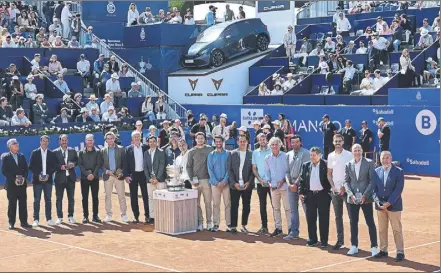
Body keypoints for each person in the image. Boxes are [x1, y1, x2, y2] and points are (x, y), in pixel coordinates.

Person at [344, 144, 379, 256]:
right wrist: (351, 194)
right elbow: (346, 181)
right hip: (353, 199)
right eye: (355, 150)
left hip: (366, 198)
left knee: (370, 222)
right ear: (352, 152)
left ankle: (374, 247)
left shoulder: (369, 163)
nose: (357, 152)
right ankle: (354, 246)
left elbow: (372, 181)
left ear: (362, 151)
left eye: (359, 150)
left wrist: (365, 195)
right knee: (353, 223)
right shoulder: (348, 164)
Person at [372, 151, 405, 262]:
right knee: (382, 229)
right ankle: (383, 250)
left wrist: (389, 203)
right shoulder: (376, 171)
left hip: (394, 206)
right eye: (383, 158)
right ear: (380, 160)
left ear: (391, 159)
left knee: (397, 230)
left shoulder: (399, 172)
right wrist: (377, 202)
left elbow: (398, 189)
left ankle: (400, 252)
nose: (385, 160)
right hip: (380, 207)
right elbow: (374, 189)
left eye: (387, 158)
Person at [299, 147, 332, 247]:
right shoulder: (306, 165)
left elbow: (330, 178)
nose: (312, 157)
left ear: (320, 155)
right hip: (310, 195)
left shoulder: (326, 165)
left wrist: (329, 192)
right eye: (311, 155)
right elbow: (302, 180)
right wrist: (301, 192)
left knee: (324, 218)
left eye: (314, 155)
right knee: (311, 218)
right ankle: (312, 239)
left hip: (323, 195)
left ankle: (324, 241)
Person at [327, 134, 353, 250]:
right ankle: (340, 241)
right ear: (333, 142)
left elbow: (352, 173)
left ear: (343, 142)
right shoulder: (330, 156)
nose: (338, 143)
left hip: (347, 191)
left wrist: (344, 187)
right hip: (335, 191)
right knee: (338, 217)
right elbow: (329, 174)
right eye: (336, 141)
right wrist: (333, 186)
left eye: (339, 141)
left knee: (352, 217)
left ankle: (354, 243)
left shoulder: (349, 155)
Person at [283, 135, 310, 240]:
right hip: (291, 186)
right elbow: (286, 171)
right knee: (293, 210)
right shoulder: (288, 154)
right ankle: (294, 232)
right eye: (292, 142)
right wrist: (289, 183)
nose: (294, 144)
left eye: (297, 142)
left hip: (303, 187)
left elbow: (304, 171)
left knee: (307, 210)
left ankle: (312, 234)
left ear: (300, 142)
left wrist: (296, 184)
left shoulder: (306, 153)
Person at [187, 132, 214, 231]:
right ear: (195, 139)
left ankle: (209, 223)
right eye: (198, 138)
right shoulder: (191, 151)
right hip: (195, 182)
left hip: (207, 181)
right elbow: (188, 167)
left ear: (204, 139)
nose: (200, 140)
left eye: (202, 138)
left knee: (208, 203)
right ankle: (200, 223)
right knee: (197, 204)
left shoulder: (210, 149)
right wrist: (192, 179)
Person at [264, 137, 290, 237]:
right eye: (273, 144)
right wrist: (269, 182)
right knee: (276, 208)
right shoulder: (267, 158)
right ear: (270, 146)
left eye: (276, 144)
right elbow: (266, 172)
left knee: (288, 208)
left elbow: (288, 171)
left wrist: (283, 181)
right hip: (273, 188)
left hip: (285, 187)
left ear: (280, 145)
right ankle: (278, 228)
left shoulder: (286, 156)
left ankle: (290, 228)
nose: (274, 146)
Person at [228, 135, 254, 234]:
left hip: (247, 185)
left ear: (247, 142)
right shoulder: (232, 153)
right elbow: (229, 170)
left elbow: (253, 171)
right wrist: (234, 183)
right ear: (238, 142)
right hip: (235, 185)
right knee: (234, 205)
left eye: (244, 141)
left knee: (246, 206)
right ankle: (233, 226)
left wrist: (249, 182)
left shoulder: (252, 154)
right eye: (240, 141)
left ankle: (243, 225)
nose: (242, 143)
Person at [2, 139, 30, 229]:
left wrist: (24, 177)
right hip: (11, 185)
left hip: (22, 185)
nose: (17, 145)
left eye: (17, 143)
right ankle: (11, 223)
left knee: (23, 204)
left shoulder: (21, 156)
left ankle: (24, 222)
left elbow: (26, 169)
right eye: (14, 144)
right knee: (12, 204)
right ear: (10, 146)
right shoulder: (6, 157)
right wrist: (14, 179)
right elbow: (4, 171)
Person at [29, 136, 56, 227]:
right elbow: (31, 166)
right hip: (37, 181)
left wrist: (48, 174)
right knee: (37, 200)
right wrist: (38, 175)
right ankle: (36, 219)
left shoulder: (51, 153)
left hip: (48, 181)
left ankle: (49, 218)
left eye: (46, 141)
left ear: (48, 142)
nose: (44, 142)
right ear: (40, 142)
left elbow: (54, 167)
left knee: (48, 200)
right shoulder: (34, 152)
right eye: (43, 141)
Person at [101, 132, 128, 223]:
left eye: (111, 138)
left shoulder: (121, 149)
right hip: (108, 176)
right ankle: (108, 214)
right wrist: (107, 171)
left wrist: (122, 172)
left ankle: (124, 214)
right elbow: (101, 165)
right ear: (106, 140)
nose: (110, 140)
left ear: (114, 139)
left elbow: (125, 163)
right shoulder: (103, 150)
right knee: (107, 196)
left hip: (118, 176)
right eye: (108, 139)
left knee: (121, 196)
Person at [123, 131, 150, 224]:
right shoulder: (128, 149)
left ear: (141, 137)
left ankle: (147, 215)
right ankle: (136, 216)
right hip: (133, 176)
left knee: (146, 196)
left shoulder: (146, 148)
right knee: (133, 197)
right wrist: (126, 175)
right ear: (132, 139)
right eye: (135, 137)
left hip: (144, 175)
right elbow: (125, 163)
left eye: (138, 136)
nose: (137, 138)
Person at [207, 135, 231, 232]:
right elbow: (210, 170)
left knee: (227, 204)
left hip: (226, 184)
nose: (218, 143)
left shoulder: (228, 154)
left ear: (223, 142)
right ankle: (216, 224)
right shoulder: (211, 155)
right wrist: (216, 182)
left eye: (220, 141)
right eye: (216, 142)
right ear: (214, 143)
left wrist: (224, 181)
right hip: (215, 184)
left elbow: (229, 169)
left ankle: (229, 224)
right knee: (216, 204)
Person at [53, 134, 78, 224]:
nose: (64, 142)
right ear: (59, 141)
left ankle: (70, 216)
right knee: (59, 198)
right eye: (62, 140)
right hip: (59, 179)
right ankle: (59, 217)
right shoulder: (55, 152)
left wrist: (73, 164)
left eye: (65, 140)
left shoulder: (72, 151)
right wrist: (60, 167)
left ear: (68, 141)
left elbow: (77, 161)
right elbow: (53, 165)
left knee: (71, 198)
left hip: (71, 178)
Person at [78, 134, 102, 224]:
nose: (90, 142)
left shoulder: (98, 152)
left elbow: (98, 164)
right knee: (85, 198)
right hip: (84, 178)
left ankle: (95, 216)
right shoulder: (81, 152)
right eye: (88, 140)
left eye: (91, 140)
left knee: (95, 197)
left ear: (93, 141)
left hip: (94, 178)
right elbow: (80, 165)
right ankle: (85, 216)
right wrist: (87, 174)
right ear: (85, 141)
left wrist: (93, 174)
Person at [251, 133, 272, 234]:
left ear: (267, 140)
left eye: (264, 139)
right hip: (260, 183)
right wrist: (260, 180)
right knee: (262, 205)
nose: (262, 141)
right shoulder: (255, 152)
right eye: (261, 139)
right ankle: (264, 226)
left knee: (275, 205)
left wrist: (271, 180)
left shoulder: (272, 149)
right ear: (258, 141)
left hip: (272, 183)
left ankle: (278, 227)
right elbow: (254, 169)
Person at [144, 136, 166, 224]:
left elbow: (162, 165)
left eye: (154, 141)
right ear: (148, 143)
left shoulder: (161, 152)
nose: (152, 143)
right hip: (150, 180)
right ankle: (152, 217)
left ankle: (161, 217)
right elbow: (145, 167)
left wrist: (157, 178)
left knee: (161, 198)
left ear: (157, 142)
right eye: (150, 142)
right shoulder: (146, 153)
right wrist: (149, 178)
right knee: (151, 198)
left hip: (159, 180)